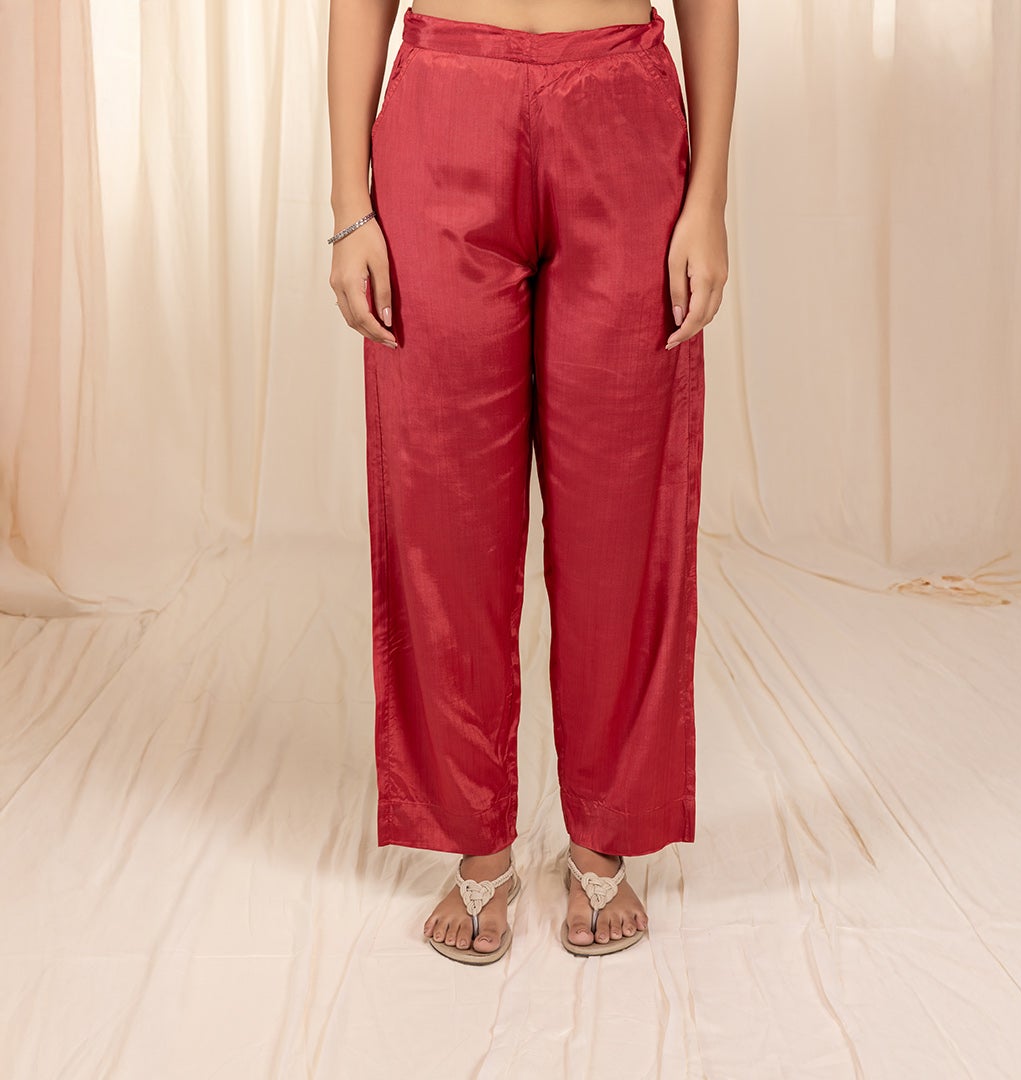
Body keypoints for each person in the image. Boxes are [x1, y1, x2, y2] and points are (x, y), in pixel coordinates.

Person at [324, 0, 736, 962]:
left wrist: (708, 200)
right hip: (443, 113)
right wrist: (350, 208)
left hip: (621, 113)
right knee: (444, 506)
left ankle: (605, 833)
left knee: (622, 508)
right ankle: (476, 839)